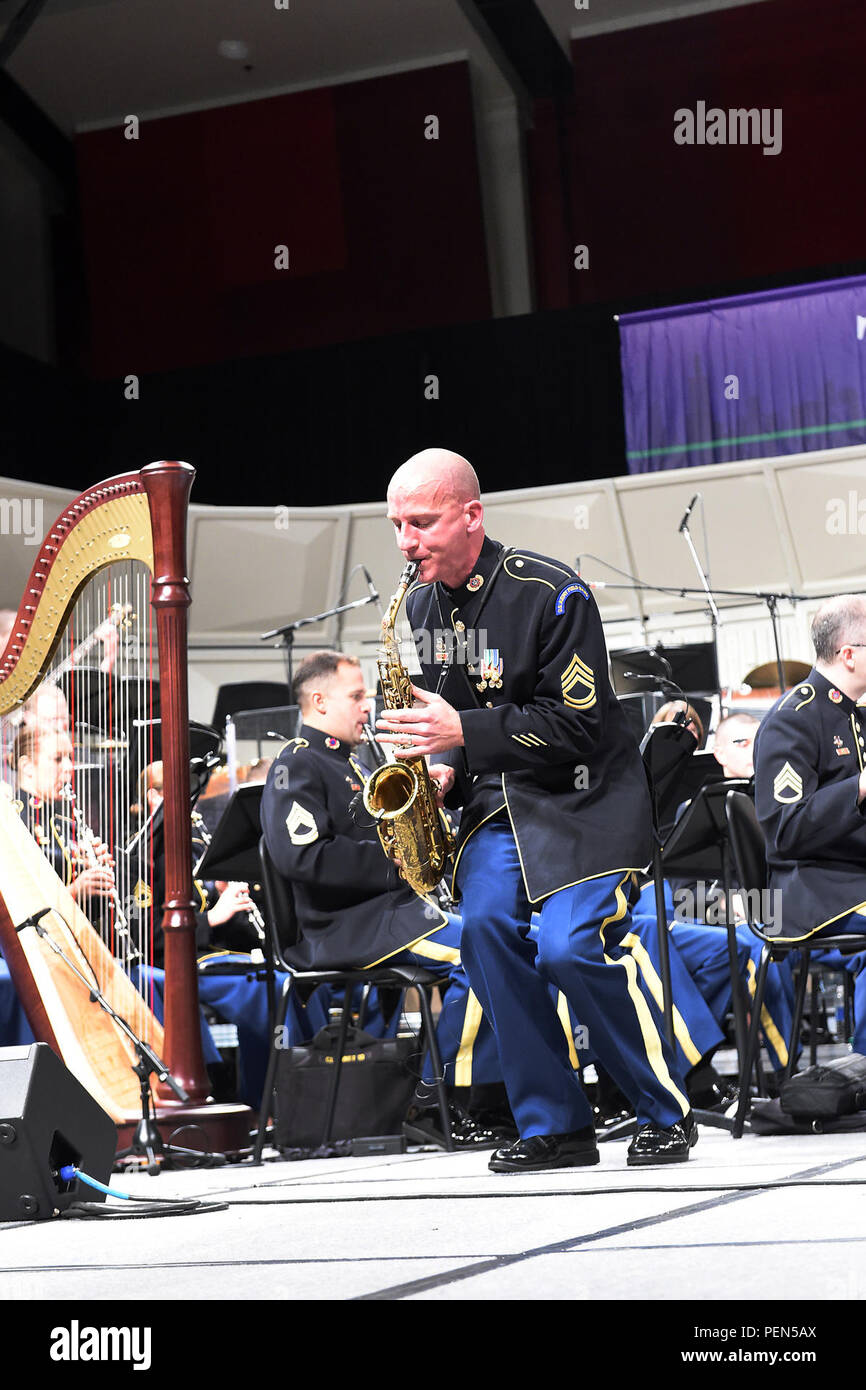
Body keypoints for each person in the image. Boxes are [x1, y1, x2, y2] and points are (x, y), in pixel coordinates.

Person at [377, 447, 696, 1171]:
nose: (406, 542)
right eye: (397, 525)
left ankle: (663, 1111)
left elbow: (577, 724)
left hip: (587, 798)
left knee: (570, 947)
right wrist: (440, 769)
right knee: (485, 931)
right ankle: (556, 1124)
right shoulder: (421, 606)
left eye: (421, 523)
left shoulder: (555, 593)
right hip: (500, 803)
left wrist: (463, 734)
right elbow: (451, 719)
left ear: (471, 515)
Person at [261, 648, 507, 1148]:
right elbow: (303, 859)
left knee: (505, 944)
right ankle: (438, 1101)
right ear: (318, 700)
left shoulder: (348, 760)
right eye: (355, 696)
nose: (366, 706)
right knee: (482, 953)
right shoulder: (296, 764)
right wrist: (395, 865)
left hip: (383, 916)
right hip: (338, 928)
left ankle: (494, 1099)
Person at [753, 595, 866, 1052]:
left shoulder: (853, 715)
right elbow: (785, 829)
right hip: (811, 889)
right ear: (850, 654)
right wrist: (857, 789)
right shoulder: (792, 720)